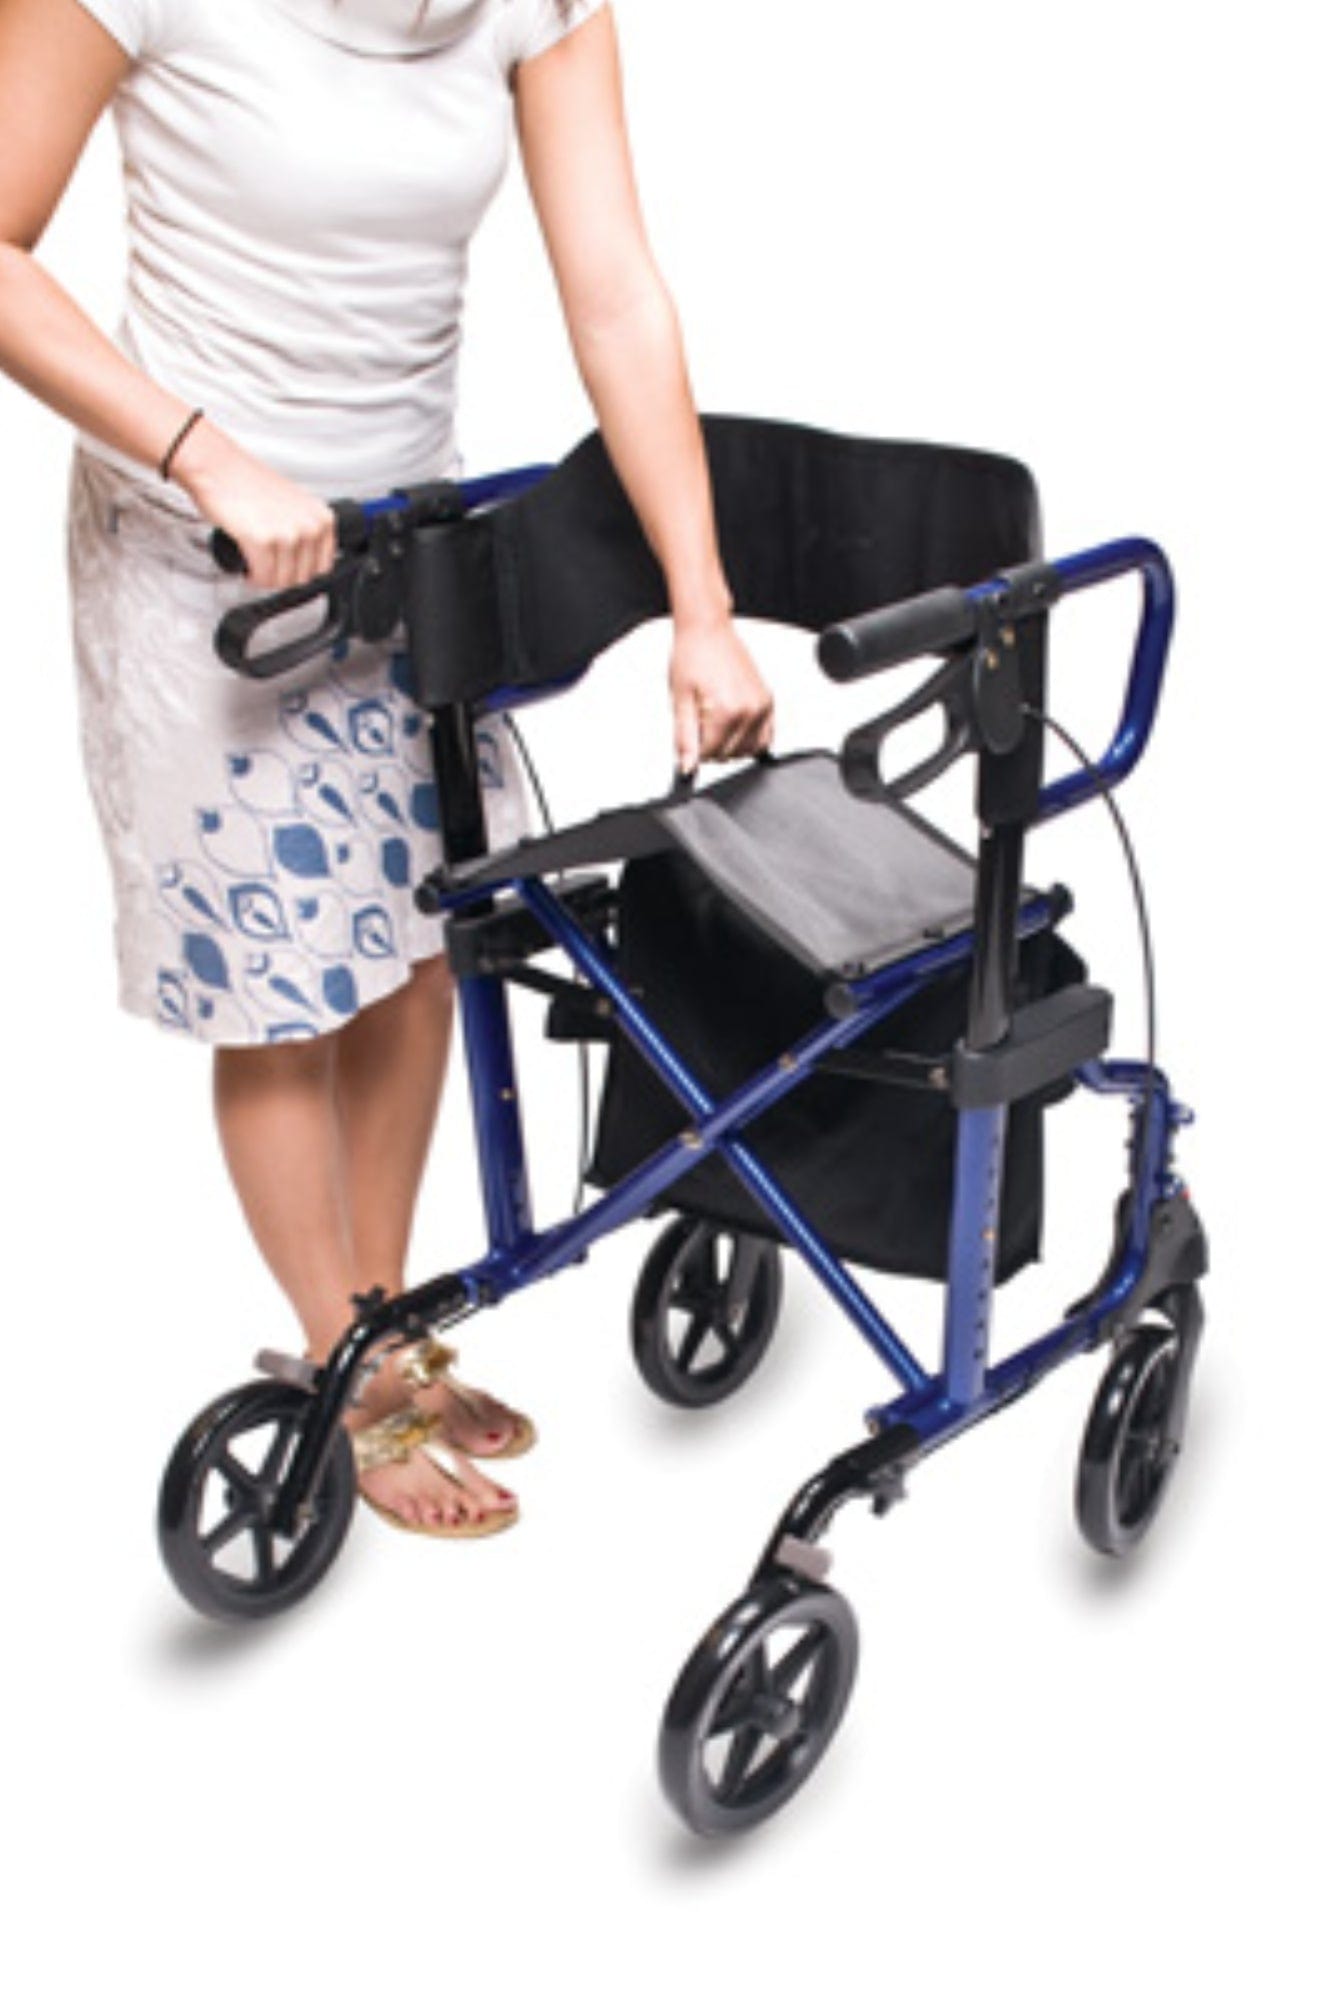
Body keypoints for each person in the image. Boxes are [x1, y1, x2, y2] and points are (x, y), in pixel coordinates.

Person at [0, 0, 775, 1538]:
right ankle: (344, 1369)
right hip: (200, 565)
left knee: (425, 946)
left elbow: (613, 294)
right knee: (285, 989)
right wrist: (201, 450)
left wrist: (704, 604)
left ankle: (382, 1322)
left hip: (406, 554)